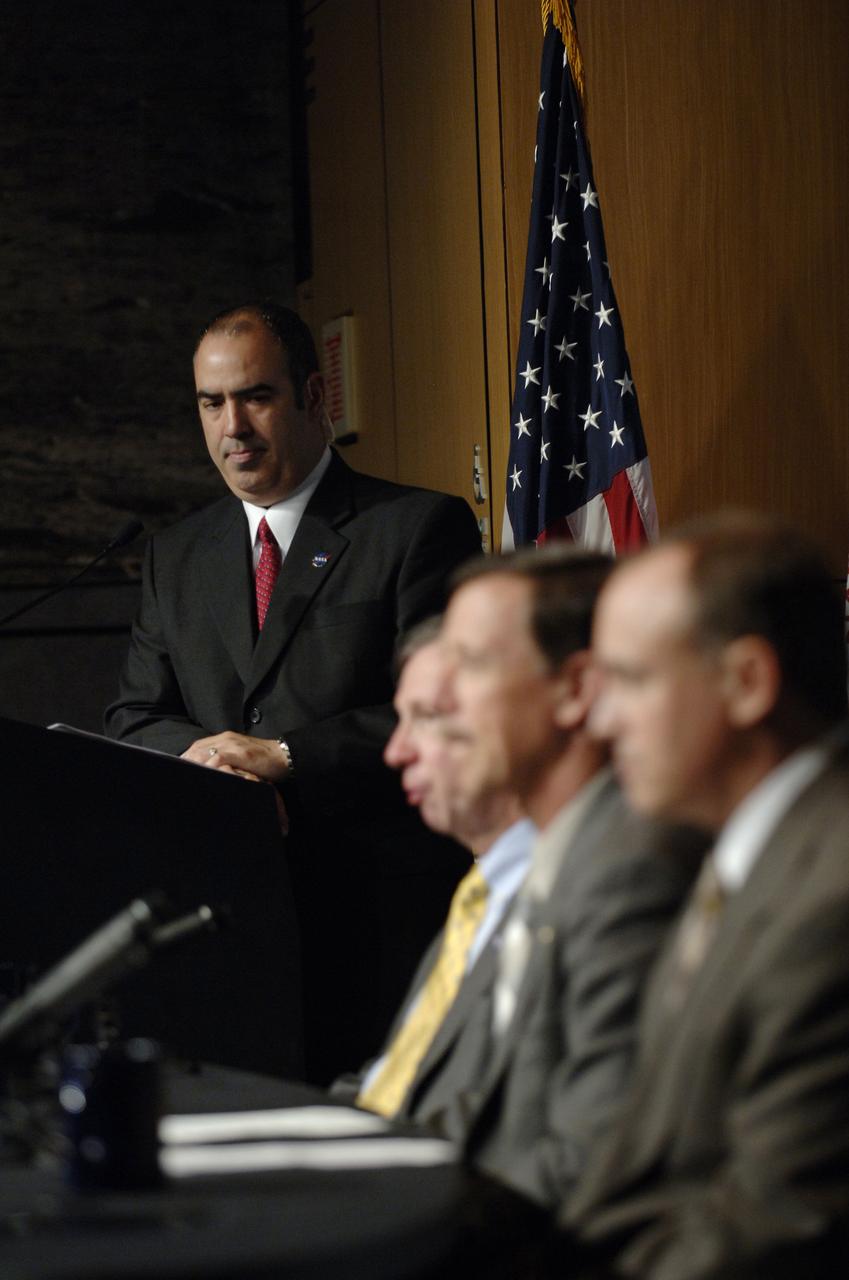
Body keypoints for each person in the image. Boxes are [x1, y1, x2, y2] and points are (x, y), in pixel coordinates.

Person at [104, 302, 481, 1083]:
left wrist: (282, 756)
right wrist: (210, 763)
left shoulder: (414, 528)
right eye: (212, 404)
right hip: (226, 923)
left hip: (376, 916)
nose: (231, 426)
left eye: (256, 397)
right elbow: (136, 716)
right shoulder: (176, 556)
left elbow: (445, 711)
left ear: (315, 397)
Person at [560, 511, 849, 1279]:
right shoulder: (730, 852)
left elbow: (772, 1225)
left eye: (628, 680)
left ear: (745, 681)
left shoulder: (831, 902)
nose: (597, 719)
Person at [376, 548, 702, 1213]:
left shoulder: (626, 869)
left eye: (468, 667)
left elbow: (586, 1164)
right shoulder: (565, 853)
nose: (445, 699)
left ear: (574, 690)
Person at [333, 621, 534, 1114]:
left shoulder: (589, 885)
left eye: (426, 717)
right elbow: (397, 1075)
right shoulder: (477, 893)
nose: (396, 751)